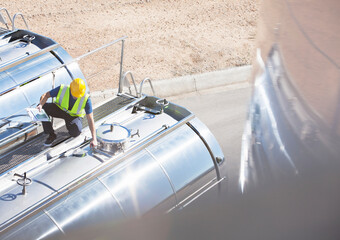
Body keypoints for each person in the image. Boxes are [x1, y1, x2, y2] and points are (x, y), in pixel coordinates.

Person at [37, 78, 97, 148]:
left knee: (76, 132)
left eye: (78, 95)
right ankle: (51, 135)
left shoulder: (86, 99)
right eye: (74, 94)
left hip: (73, 116)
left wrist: (94, 139)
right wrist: (40, 105)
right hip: (60, 110)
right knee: (43, 108)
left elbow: (90, 119)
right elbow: (46, 95)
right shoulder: (63, 89)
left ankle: (70, 128)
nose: (76, 97)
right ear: (70, 88)